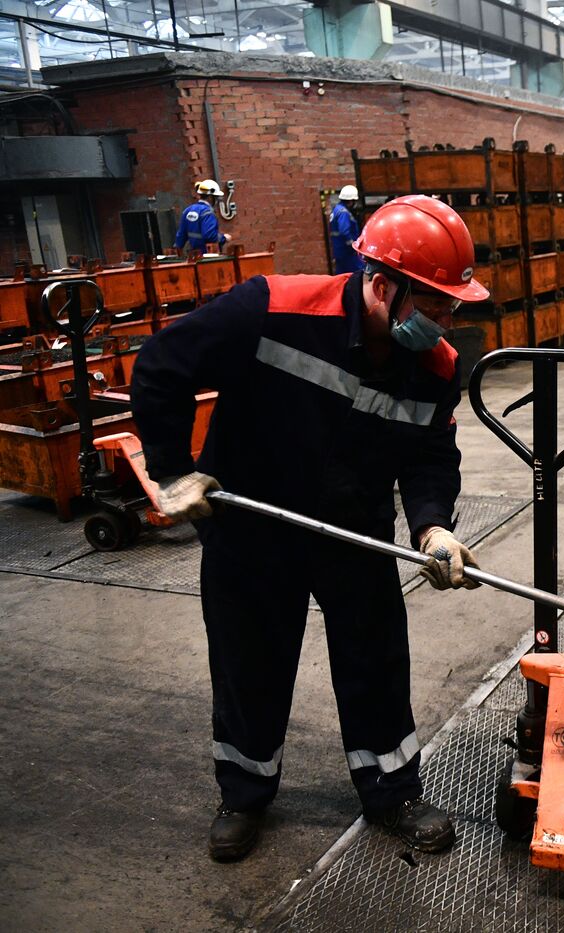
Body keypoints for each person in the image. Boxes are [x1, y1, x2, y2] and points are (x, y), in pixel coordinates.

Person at [132, 194, 491, 863]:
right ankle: (244, 793)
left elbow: (430, 455)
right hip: (252, 524)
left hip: (354, 529)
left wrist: (433, 526)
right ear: (382, 285)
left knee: (376, 659)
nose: (449, 319)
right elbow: (160, 368)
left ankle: (393, 788)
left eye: (453, 304)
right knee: (250, 662)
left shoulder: (436, 367)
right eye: (439, 303)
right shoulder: (271, 309)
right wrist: (173, 471)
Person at [174, 179, 233, 255]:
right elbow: (209, 235)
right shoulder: (207, 212)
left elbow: (180, 236)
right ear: (210, 197)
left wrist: (177, 252)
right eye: (216, 197)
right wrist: (224, 238)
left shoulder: (187, 211)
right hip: (208, 256)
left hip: (195, 256)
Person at [329, 185, 366, 274]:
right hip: (347, 252)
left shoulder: (337, 209)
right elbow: (344, 231)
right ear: (350, 200)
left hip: (339, 250)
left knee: (342, 275)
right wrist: (354, 245)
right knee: (359, 273)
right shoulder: (344, 213)